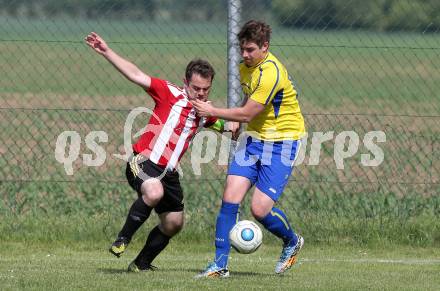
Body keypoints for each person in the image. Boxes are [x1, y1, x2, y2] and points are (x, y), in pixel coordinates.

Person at [84, 32, 237, 272]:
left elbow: (226, 126)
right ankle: (123, 238)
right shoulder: (169, 92)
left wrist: (234, 124)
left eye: (205, 89)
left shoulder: (205, 113)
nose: (200, 93)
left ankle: (141, 264)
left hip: (169, 173)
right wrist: (106, 51)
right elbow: (136, 74)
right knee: (153, 190)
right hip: (144, 161)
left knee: (174, 223)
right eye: (195, 88)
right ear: (185, 83)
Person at [193, 20, 306, 277]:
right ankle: (220, 265)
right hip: (254, 140)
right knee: (230, 197)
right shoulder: (246, 67)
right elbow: (249, 99)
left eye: (250, 49)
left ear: (265, 47)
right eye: (242, 48)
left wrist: (214, 111)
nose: (244, 54)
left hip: (282, 143)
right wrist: (234, 123)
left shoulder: (271, 73)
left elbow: (248, 111)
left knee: (259, 210)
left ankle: (291, 241)